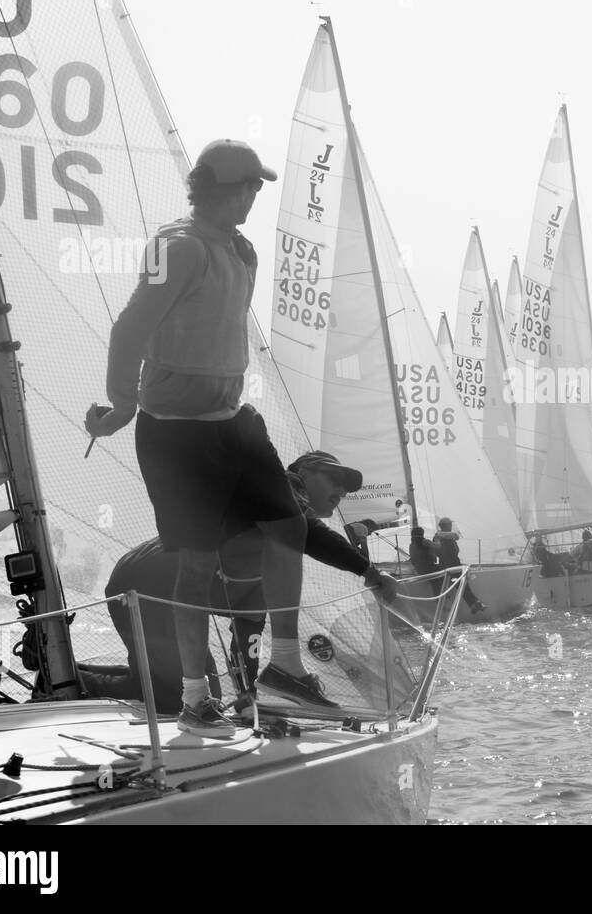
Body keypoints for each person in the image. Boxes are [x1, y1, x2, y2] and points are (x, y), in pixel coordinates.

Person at [83, 139, 332, 737]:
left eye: (258, 186)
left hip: (229, 422)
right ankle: (196, 699)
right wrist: (122, 404)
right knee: (196, 564)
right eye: (247, 185)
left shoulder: (241, 251)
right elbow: (130, 327)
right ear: (216, 187)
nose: (255, 195)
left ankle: (286, 666)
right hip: (175, 436)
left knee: (288, 526)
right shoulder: (180, 246)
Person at [78, 451, 398, 716]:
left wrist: (247, 696)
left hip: (161, 589)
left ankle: (71, 673)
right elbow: (309, 530)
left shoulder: (272, 562)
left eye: (345, 490)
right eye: (334, 478)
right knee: (175, 698)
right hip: (145, 584)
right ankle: (78, 681)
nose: (342, 491)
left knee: (205, 691)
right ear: (302, 473)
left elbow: (247, 635)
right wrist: (369, 572)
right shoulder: (278, 492)